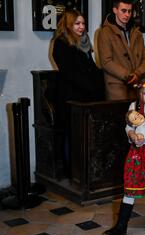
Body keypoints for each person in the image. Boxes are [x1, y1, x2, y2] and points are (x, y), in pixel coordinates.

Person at [103, 72, 145, 235]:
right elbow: (129, 126)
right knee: (130, 185)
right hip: (137, 153)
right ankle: (121, 225)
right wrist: (132, 136)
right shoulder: (134, 106)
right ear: (138, 91)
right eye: (144, 93)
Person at [52, 9, 104, 178]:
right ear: (68, 25)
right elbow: (71, 73)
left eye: (83, 23)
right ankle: (72, 172)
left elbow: (91, 68)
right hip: (70, 97)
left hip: (87, 97)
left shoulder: (84, 42)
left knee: (85, 136)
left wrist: (101, 81)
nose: (82, 27)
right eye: (77, 23)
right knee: (71, 135)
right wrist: (92, 87)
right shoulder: (61, 43)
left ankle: (84, 171)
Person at [97, 0, 145, 100]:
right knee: (119, 115)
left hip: (136, 85)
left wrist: (137, 74)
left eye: (129, 11)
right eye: (123, 11)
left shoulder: (137, 33)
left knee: (136, 115)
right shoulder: (105, 32)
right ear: (115, 10)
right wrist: (128, 76)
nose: (127, 15)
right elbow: (106, 62)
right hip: (116, 87)